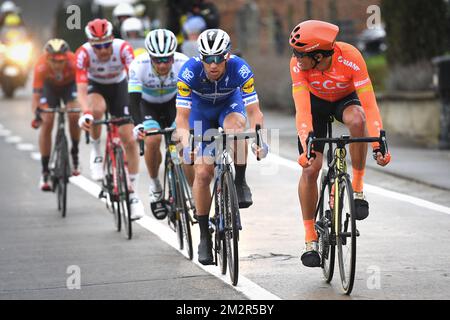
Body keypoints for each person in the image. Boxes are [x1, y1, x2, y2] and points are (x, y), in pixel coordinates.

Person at [289, 20, 391, 268]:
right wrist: (306, 146)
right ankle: (310, 237)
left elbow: (369, 105)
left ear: (320, 55)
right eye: (295, 53)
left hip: (345, 100)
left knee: (357, 120)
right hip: (316, 107)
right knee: (311, 169)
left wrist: (380, 143)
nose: (296, 58)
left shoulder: (351, 57)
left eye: (301, 54)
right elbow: (302, 111)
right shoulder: (298, 66)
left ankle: (356, 187)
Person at [175, 29, 267, 265]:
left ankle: (240, 180)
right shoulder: (188, 72)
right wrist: (186, 145)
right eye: (208, 58)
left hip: (229, 105)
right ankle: (205, 236)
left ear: (227, 56)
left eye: (219, 58)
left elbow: (254, 111)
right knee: (203, 172)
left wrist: (259, 139)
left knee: (237, 129)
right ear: (201, 57)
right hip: (200, 113)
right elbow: (182, 119)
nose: (213, 65)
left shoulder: (240, 68)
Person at [76, 19, 145, 220]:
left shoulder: (123, 48)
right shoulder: (83, 53)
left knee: (129, 138)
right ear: (90, 44)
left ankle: (133, 196)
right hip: (95, 87)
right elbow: (81, 90)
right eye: (98, 47)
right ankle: (97, 152)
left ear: (112, 39)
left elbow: (135, 81)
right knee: (96, 110)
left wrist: (136, 112)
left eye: (106, 45)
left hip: (120, 86)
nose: (104, 51)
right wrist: (86, 111)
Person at [129, 29, 189, 210]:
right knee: (153, 140)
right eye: (157, 60)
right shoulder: (138, 65)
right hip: (148, 106)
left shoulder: (183, 63)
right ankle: (155, 185)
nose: (162, 65)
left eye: (166, 59)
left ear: (173, 56)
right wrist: (138, 124)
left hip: (173, 103)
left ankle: (188, 188)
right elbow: (133, 100)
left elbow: (194, 97)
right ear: (150, 57)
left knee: (181, 139)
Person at [31, 39, 80, 191]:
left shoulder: (74, 62)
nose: (58, 65)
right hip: (49, 88)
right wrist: (37, 114)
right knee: (47, 121)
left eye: (61, 61)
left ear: (67, 58)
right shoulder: (41, 65)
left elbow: (82, 88)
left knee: (74, 114)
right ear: (48, 58)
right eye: (54, 61)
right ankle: (45, 171)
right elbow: (36, 97)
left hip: (69, 86)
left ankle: (75, 153)